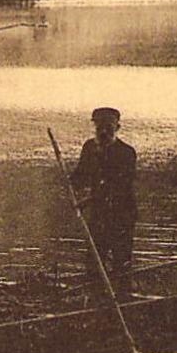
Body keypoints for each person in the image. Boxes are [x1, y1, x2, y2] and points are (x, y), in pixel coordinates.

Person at [69, 106, 137, 297]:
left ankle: (124, 302)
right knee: (94, 261)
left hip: (122, 215)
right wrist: (69, 182)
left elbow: (119, 187)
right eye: (100, 128)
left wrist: (88, 200)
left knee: (121, 261)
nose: (104, 132)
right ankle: (96, 302)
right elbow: (81, 174)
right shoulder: (90, 147)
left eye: (108, 127)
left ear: (118, 127)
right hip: (99, 215)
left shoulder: (126, 153)